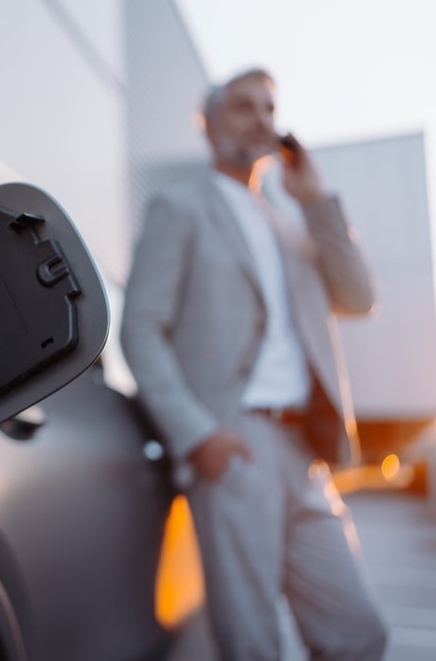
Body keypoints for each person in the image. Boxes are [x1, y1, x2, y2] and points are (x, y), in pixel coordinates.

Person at [120, 67, 389, 660]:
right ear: (210, 125)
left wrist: (317, 202)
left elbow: (359, 297)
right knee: (253, 643)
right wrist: (199, 435)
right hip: (236, 443)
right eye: (244, 107)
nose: (261, 120)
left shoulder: (293, 224)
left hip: (307, 451)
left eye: (269, 109)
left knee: (360, 632)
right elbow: (140, 327)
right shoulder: (180, 206)